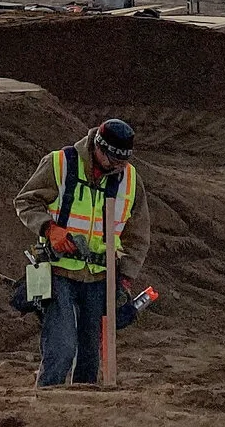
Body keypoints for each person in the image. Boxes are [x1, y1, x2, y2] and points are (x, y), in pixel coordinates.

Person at [13, 118, 148, 387]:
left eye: (122, 161)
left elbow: (138, 236)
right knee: (62, 347)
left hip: (99, 277)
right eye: (111, 160)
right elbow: (26, 201)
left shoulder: (130, 180)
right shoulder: (60, 163)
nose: (117, 167)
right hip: (59, 271)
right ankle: (47, 401)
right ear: (97, 147)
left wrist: (125, 277)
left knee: (89, 357)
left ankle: (83, 410)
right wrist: (50, 228)